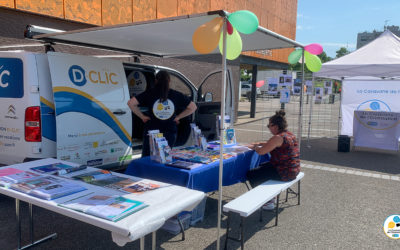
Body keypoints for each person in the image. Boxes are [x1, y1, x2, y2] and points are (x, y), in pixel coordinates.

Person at [127, 70, 197, 156]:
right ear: (169, 81)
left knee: (147, 158)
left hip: (152, 131)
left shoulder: (149, 93)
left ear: (156, 80)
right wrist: (178, 117)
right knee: (164, 157)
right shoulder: (176, 94)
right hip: (169, 131)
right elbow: (193, 107)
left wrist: (142, 116)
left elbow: (131, 103)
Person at [246, 110, 300, 209]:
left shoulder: (278, 137)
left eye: (269, 126)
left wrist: (254, 147)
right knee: (262, 167)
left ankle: (268, 201)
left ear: (275, 126)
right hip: (294, 169)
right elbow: (270, 144)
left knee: (251, 174)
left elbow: (261, 151)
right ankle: (270, 196)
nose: (269, 128)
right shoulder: (289, 134)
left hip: (285, 172)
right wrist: (258, 143)